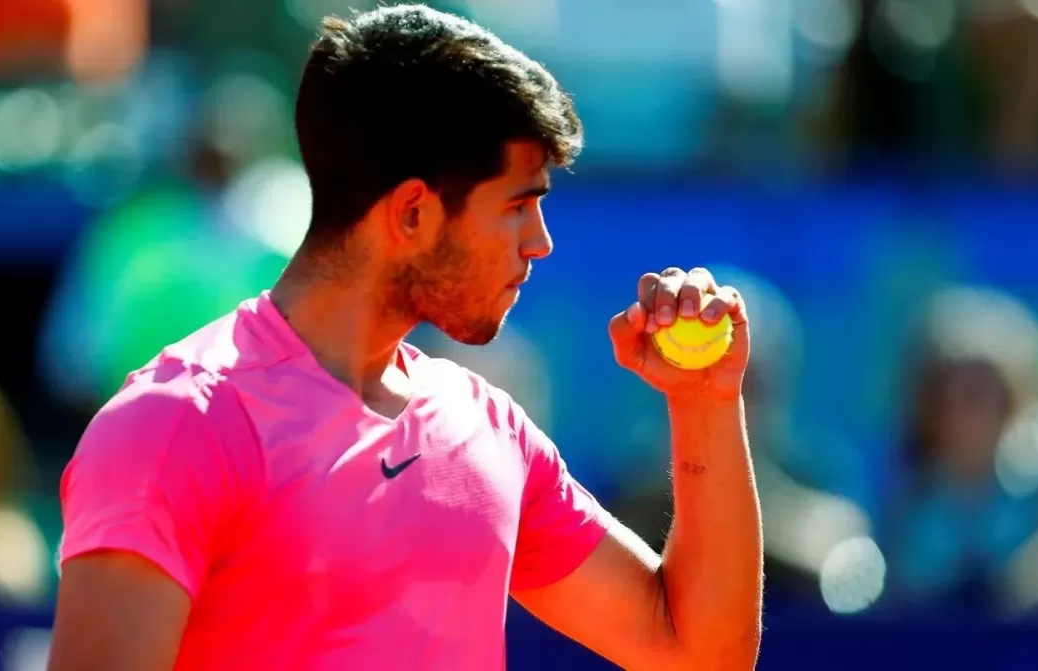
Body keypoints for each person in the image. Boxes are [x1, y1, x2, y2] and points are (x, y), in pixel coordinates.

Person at [48, 5, 763, 670]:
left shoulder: (490, 430)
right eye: (518, 206)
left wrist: (704, 401)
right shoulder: (174, 427)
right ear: (414, 212)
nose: (540, 243)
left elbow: (700, 654)